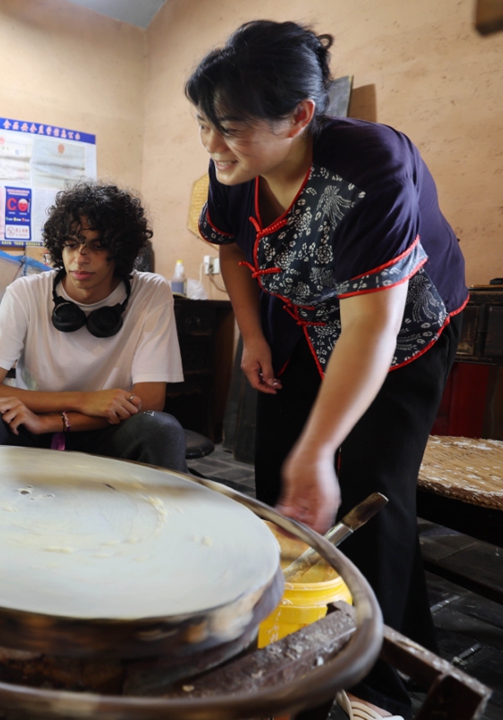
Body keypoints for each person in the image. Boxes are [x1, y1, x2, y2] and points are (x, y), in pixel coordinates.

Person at [188, 20, 467, 718]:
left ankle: (372, 675)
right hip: (301, 320)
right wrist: (251, 337)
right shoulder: (234, 171)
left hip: (403, 334)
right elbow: (232, 252)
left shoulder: (372, 164)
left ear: (301, 116)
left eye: (230, 127)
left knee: (372, 486)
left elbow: (372, 325)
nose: (213, 145)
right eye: (204, 124)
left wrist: (323, 451)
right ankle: (296, 622)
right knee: (283, 469)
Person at [0, 181, 187, 472]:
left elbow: (149, 400)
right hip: (30, 427)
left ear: (120, 250)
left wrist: (53, 421)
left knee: (161, 429)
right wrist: (83, 401)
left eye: (97, 246)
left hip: (107, 429)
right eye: (72, 244)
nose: (80, 257)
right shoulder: (26, 292)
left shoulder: (151, 292)